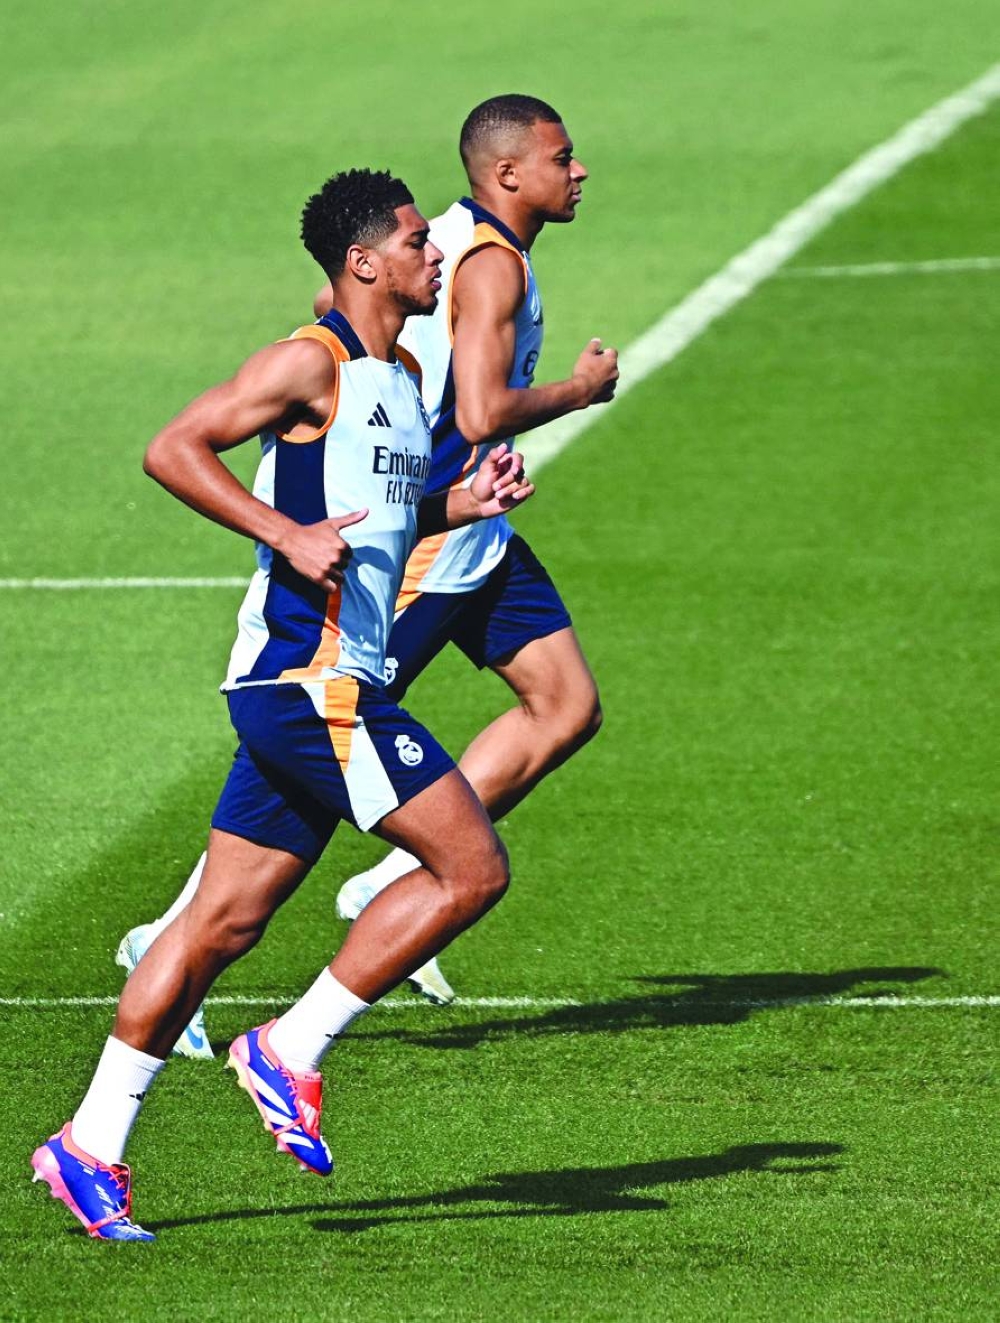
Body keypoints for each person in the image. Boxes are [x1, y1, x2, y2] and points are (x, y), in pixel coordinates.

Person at [31, 167, 534, 1242]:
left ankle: (87, 1146)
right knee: (471, 866)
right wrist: (281, 534)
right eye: (412, 240)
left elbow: (381, 511)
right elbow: (173, 448)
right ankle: (290, 1048)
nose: (433, 251)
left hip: (305, 689)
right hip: (314, 686)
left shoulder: (399, 372)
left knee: (223, 920)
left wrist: (459, 500)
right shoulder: (308, 362)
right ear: (362, 261)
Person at [117, 92, 619, 1044]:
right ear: (510, 172)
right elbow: (475, 409)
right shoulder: (487, 265)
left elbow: (343, 312)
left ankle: (396, 880)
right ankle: (212, 945)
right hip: (401, 553)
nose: (579, 170)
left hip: (457, 525)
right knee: (320, 731)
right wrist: (579, 390)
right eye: (564, 156)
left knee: (565, 703)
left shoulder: (444, 253)